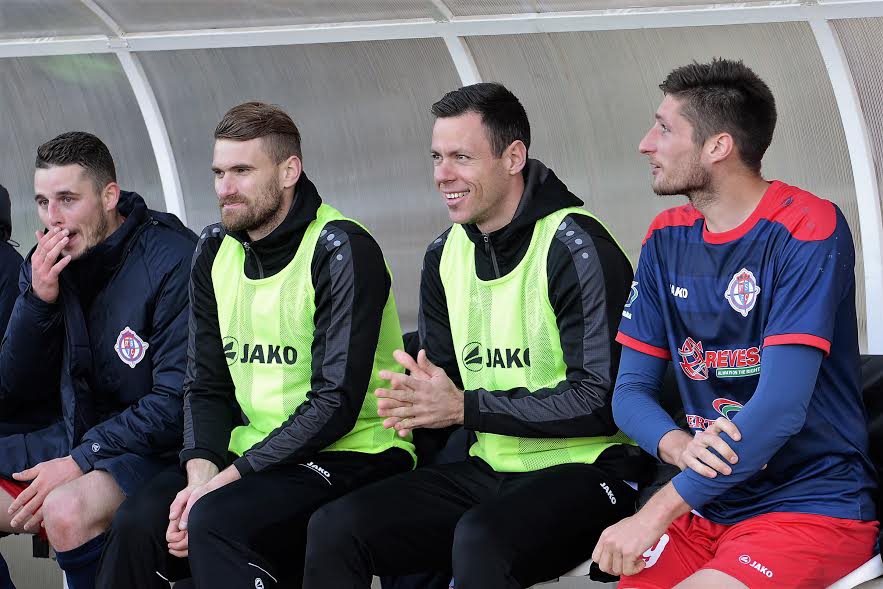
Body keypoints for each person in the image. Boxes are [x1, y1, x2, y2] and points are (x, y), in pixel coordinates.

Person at [303, 82, 646, 589]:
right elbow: (444, 384)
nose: (443, 174)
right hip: (489, 467)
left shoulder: (575, 246)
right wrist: (414, 405)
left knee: (481, 537)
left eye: (461, 157)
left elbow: (601, 400)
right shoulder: (444, 253)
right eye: (437, 157)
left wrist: (464, 408)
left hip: (590, 470)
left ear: (513, 157)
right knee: (336, 527)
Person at [96, 101, 416, 589]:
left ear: (289, 171)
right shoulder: (213, 249)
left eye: (242, 171)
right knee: (139, 524)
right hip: (256, 453)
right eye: (219, 172)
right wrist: (200, 475)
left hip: (354, 452)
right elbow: (204, 384)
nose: (225, 187)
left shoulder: (340, 248)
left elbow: (334, 403)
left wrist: (224, 483)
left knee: (216, 520)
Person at [592, 58, 879, 588]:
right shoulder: (665, 236)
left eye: (664, 128)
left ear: (718, 146)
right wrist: (679, 446)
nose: (645, 144)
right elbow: (629, 393)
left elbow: (779, 410)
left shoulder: (806, 225)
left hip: (808, 506)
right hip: (707, 505)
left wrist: (654, 513)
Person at [0, 131, 196, 589]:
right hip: (79, 433)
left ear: (109, 197)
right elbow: (13, 387)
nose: (53, 218)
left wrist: (80, 459)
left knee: (66, 509)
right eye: (43, 202)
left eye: (67, 200)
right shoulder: (46, 262)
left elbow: (175, 404)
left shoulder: (172, 259)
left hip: (159, 450)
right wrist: (38, 303)